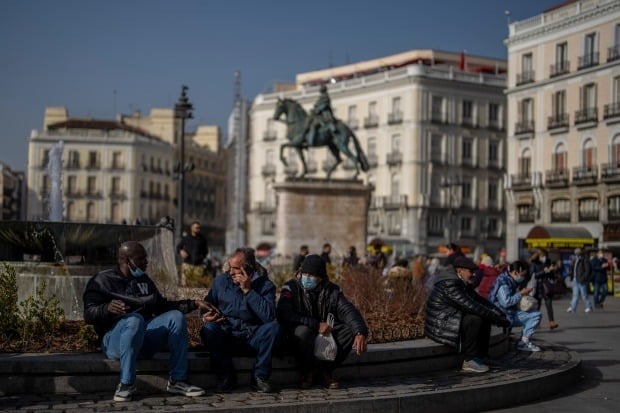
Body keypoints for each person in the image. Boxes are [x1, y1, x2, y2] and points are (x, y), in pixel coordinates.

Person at [83, 241, 208, 402]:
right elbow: (88, 314)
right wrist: (106, 309)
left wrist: (194, 304)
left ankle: (178, 380)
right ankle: (126, 384)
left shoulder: (144, 280)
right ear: (129, 261)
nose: (146, 262)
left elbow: (162, 306)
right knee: (134, 320)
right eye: (141, 258)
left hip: (143, 338)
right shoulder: (102, 280)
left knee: (175, 317)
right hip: (115, 339)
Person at [277, 255, 368, 389]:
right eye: (304, 273)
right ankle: (307, 372)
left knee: (348, 332)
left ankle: (324, 372)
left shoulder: (332, 290)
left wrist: (360, 331)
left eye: (311, 275)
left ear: (320, 278)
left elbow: (348, 310)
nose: (307, 277)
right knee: (303, 332)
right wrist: (316, 325)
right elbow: (284, 313)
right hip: (299, 337)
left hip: (325, 335)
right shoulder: (291, 287)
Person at [200, 247, 281, 393]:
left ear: (248, 269)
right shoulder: (220, 281)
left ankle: (259, 377)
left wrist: (248, 290)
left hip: (252, 337)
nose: (231, 272)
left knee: (274, 329)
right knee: (208, 329)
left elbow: (269, 317)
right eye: (230, 267)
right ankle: (226, 377)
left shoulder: (266, 286)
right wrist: (206, 316)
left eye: (236, 268)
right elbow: (207, 305)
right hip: (228, 335)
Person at [425, 256, 510, 373]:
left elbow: (479, 300)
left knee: (484, 317)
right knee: (475, 319)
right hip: (440, 324)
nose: (474, 275)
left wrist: (499, 313)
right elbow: (470, 305)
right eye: (471, 272)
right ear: (460, 271)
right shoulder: (450, 283)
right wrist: (496, 319)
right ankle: (470, 360)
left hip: (451, 318)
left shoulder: (461, 281)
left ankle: (481, 357)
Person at [488, 260, 542, 352]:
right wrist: (520, 293)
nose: (523, 277)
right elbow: (506, 302)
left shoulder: (508, 279)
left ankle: (524, 341)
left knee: (534, 313)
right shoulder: (504, 283)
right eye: (522, 275)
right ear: (515, 272)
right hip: (503, 315)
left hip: (505, 312)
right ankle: (523, 343)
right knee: (536, 315)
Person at [528, 248, 560, 329]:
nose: (544, 257)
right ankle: (536, 323)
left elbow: (551, 274)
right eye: (543, 255)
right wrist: (544, 271)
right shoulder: (534, 263)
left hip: (547, 286)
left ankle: (551, 322)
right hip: (538, 286)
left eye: (545, 255)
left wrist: (553, 270)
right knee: (537, 306)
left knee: (549, 305)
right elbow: (533, 275)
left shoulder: (548, 261)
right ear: (539, 255)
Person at [176, 221, 209, 287]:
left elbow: (206, 251)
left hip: (198, 266)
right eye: (196, 228)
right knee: (185, 285)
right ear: (192, 228)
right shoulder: (186, 238)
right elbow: (178, 247)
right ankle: (184, 297)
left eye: (199, 228)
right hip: (187, 265)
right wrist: (181, 251)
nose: (198, 229)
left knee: (195, 285)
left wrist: (201, 257)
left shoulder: (202, 239)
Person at [567, 248, 593, 313]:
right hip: (575, 279)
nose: (575, 253)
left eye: (577, 252)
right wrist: (571, 275)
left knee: (584, 295)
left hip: (581, 280)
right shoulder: (576, 259)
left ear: (580, 253)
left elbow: (588, 270)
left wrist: (583, 278)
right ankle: (573, 307)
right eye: (575, 252)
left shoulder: (584, 259)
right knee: (575, 295)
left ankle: (588, 307)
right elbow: (574, 269)